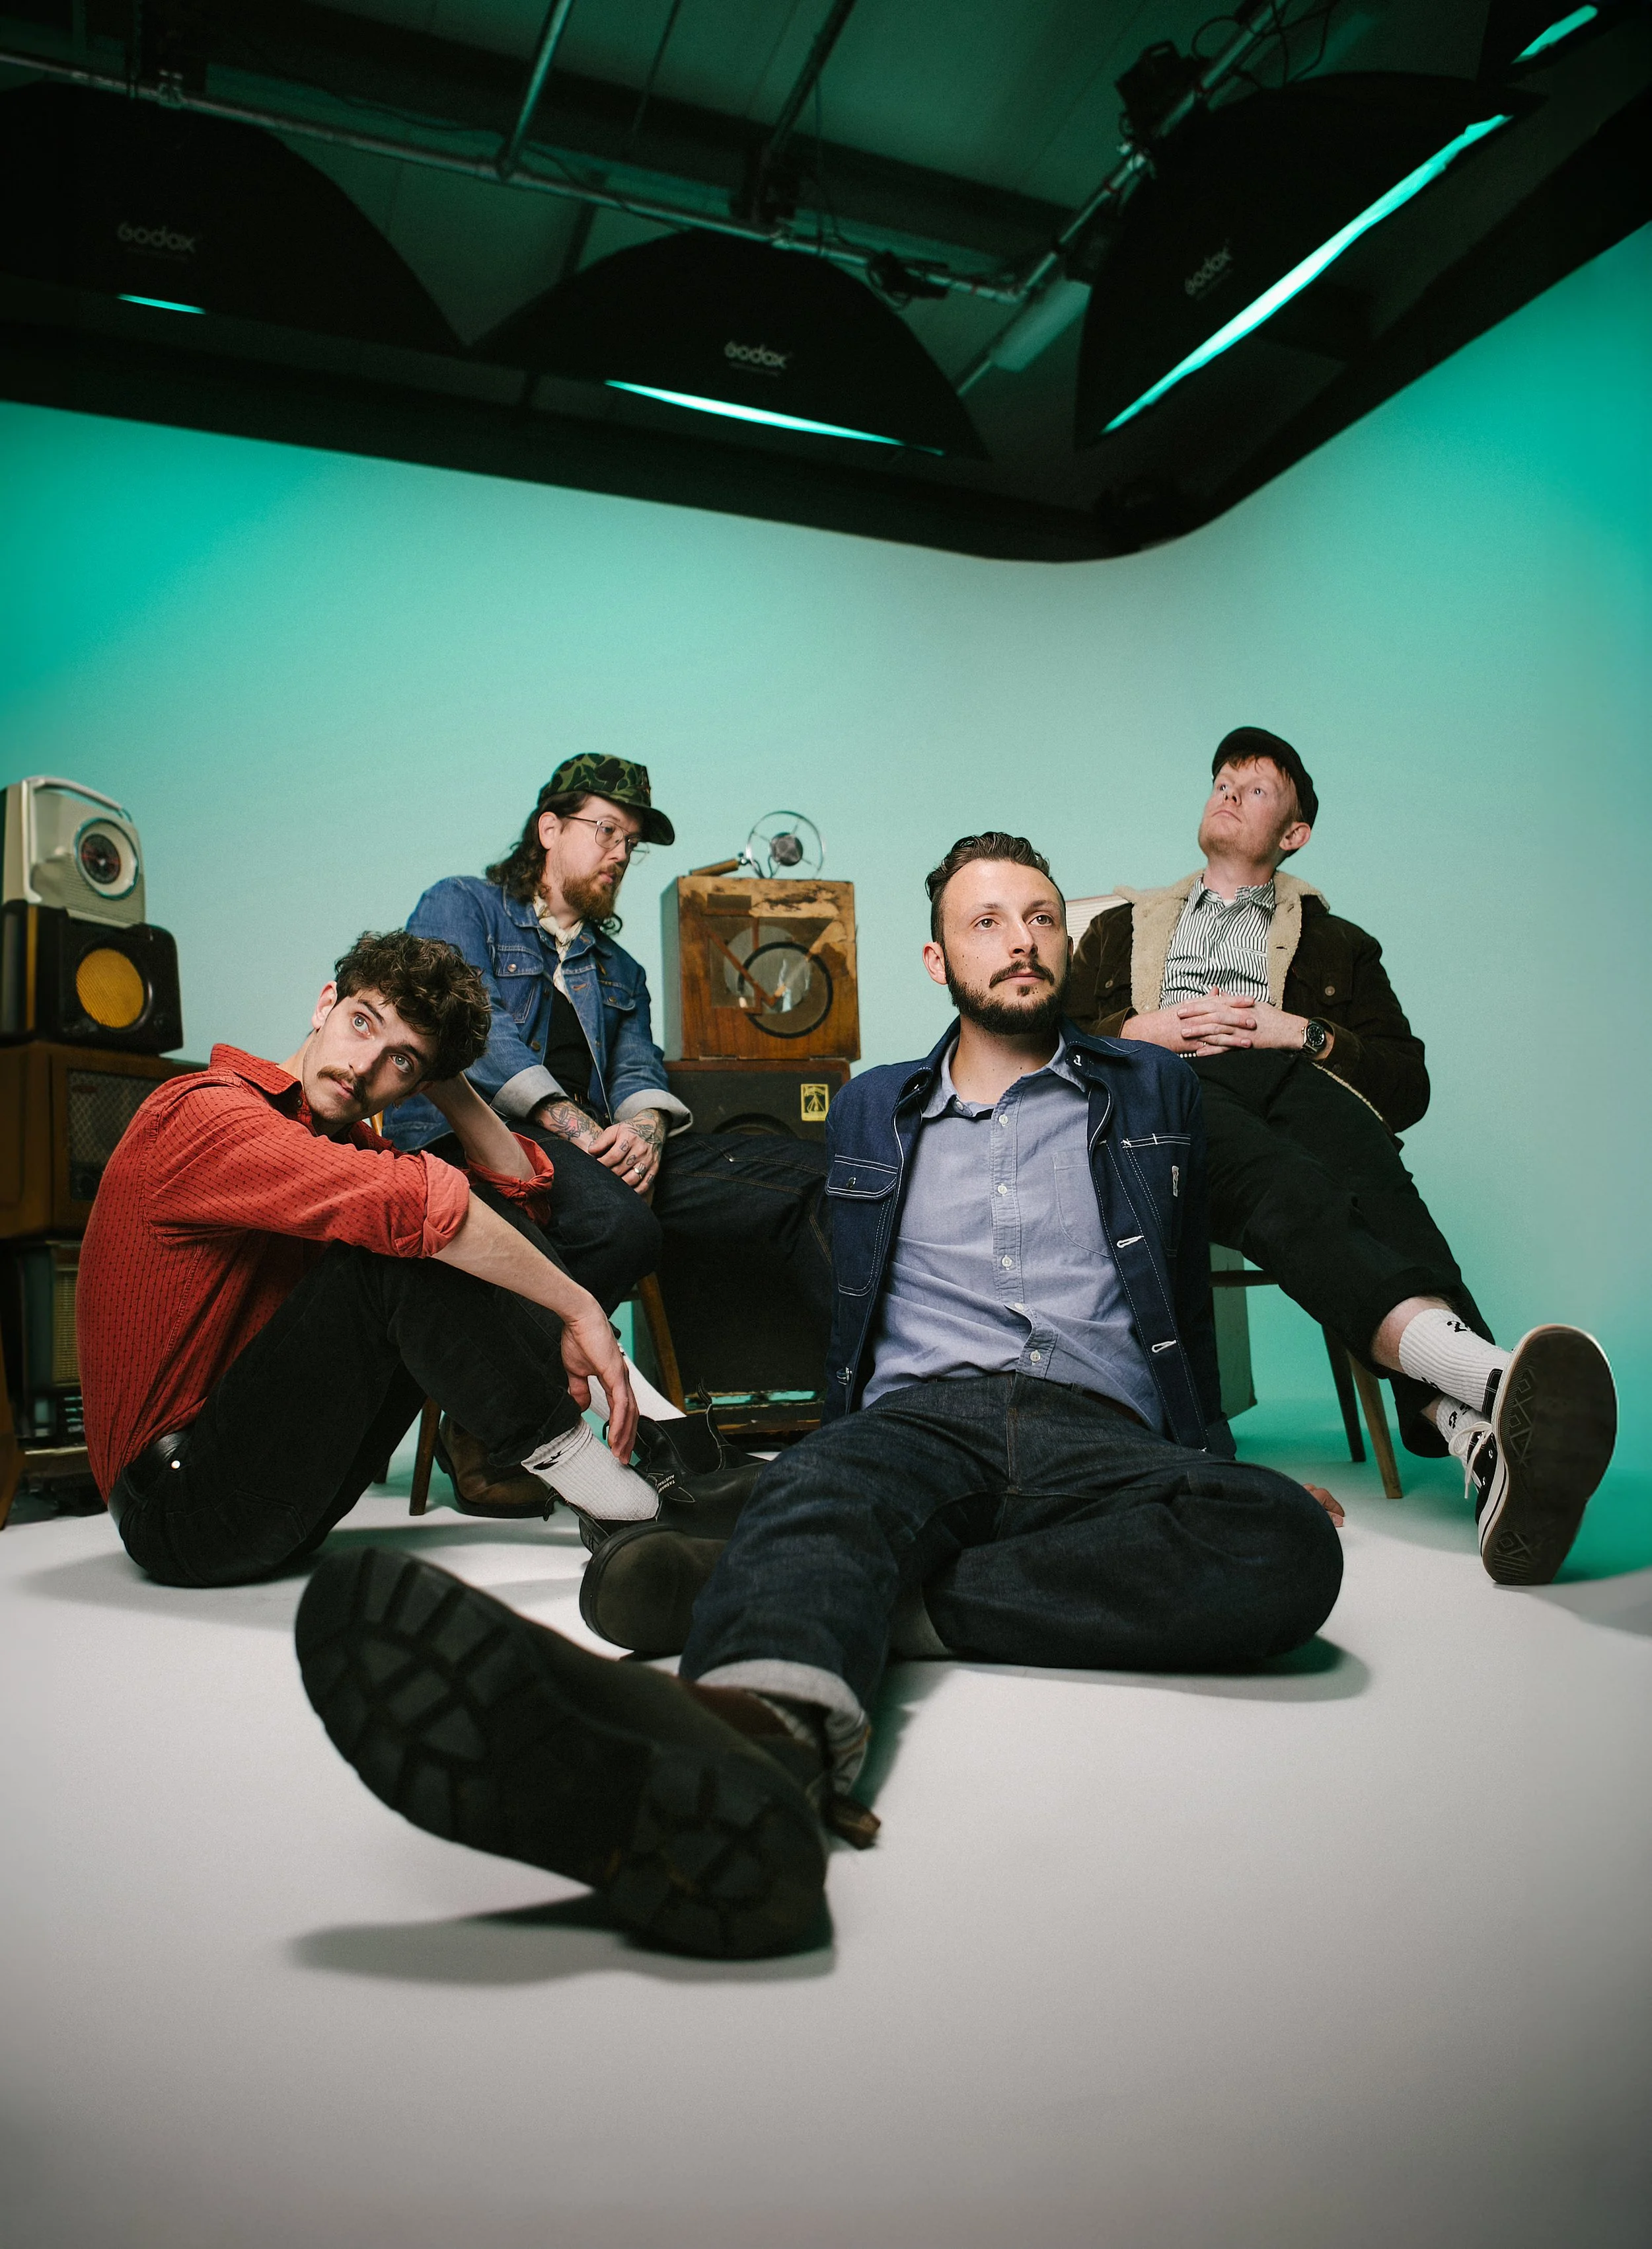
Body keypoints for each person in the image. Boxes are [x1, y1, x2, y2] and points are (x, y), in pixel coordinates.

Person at [294, 835, 1344, 1961]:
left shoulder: (1154, 1084)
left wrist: (1212, 1454)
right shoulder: (870, 1108)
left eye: (1040, 916)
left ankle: (863, 1591)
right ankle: (747, 1744)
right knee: (826, 1493)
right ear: (937, 958)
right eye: (986, 921)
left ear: (1068, 942)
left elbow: (1180, 1272)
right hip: (918, 1412)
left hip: (1099, 1422)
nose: (1021, 939)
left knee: (1280, 1545)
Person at [1064, 726, 1616, 1587]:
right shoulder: (1116, 929)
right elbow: (1047, 1045)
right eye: (1222, 779)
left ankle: (1477, 1432)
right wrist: (1144, 1030)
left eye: (1256, 786)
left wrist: (1303, 1031)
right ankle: (1485, 1384)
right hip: (1169, 1088)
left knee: (1371, 1170)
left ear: (1296, 834)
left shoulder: (1340, 944)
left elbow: (1407, 1085)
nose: (1228, 790)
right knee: (1287, 1183)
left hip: (1290, 1074)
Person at [79, 929, 667, 1589]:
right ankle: (612, 1492)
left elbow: (519, 1201)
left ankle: (641, 1460)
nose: (363, 1065)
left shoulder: (347, 1143)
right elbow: (415, 1209)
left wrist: (446, 1083)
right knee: (402, 1243)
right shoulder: (203, 1113)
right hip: (181, 1510)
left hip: (288, 1484)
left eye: (402, 1062)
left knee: (453, 1221)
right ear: (325, 1004)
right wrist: (578, 1306)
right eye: (361, 1023)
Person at [386, 755, 832, 1328]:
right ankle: (529, 1389)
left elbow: (639, 1070)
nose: (621, 854)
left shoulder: (622, 969)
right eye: (607, 831)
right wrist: (575, 1124)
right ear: (550, 829)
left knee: (818, 1178)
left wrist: (644, 1138)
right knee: (622, 1227)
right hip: (470, 1147)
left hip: (595, 1158)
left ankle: (867, 1398)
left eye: (631, 843)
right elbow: (474, 1029)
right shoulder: (461, 903)